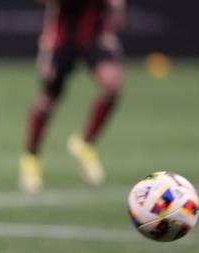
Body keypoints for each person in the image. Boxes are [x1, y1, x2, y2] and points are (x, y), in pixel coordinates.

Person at [19, 0, 125, 192]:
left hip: (94, 35)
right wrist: (46, 45)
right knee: (48, 98)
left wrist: (111, 23)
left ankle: (85, 142)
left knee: (111, 85)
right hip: (63, 37)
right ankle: (31, 157)